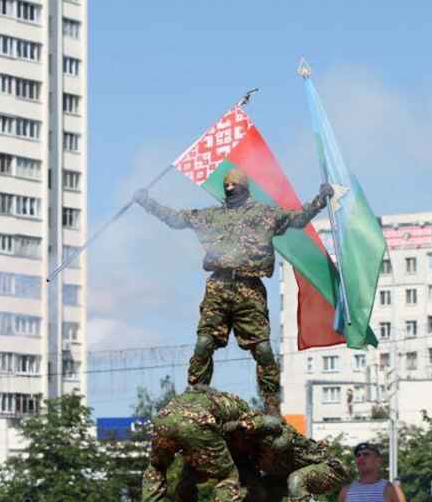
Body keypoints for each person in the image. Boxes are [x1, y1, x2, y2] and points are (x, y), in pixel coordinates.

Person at [134, 170, 333, 415]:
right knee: (205, 342)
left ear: (245, 187)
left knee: (261, 348)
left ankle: (271, 404)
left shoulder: (265, 214)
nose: (229, 188)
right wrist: (147, 202)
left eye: (234, 184)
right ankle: (197, 398)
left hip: (249, 288)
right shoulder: (211, 216)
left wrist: (320, 200)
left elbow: (298, 218)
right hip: (218, 286)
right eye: (226, 185)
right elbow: (176, 219)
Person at [138, 386, 283, 502]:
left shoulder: (197, 399)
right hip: (198, 423)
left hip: (164, 419)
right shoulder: (241, 408)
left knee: (157, 467)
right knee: (228, 476)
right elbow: (249, 427)